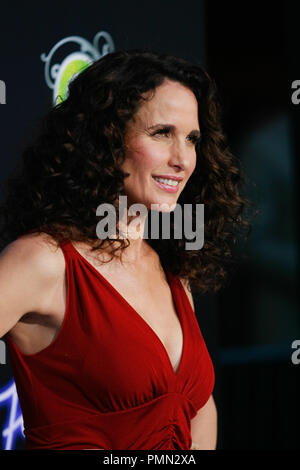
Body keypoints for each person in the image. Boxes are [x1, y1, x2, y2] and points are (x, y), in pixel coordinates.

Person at [0, 49, 251, 450]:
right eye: (161, 133)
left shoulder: (174, 271)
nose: (182, 159)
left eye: (192, 139)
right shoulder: (43, 261)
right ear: (107, 138)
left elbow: (200, 411)